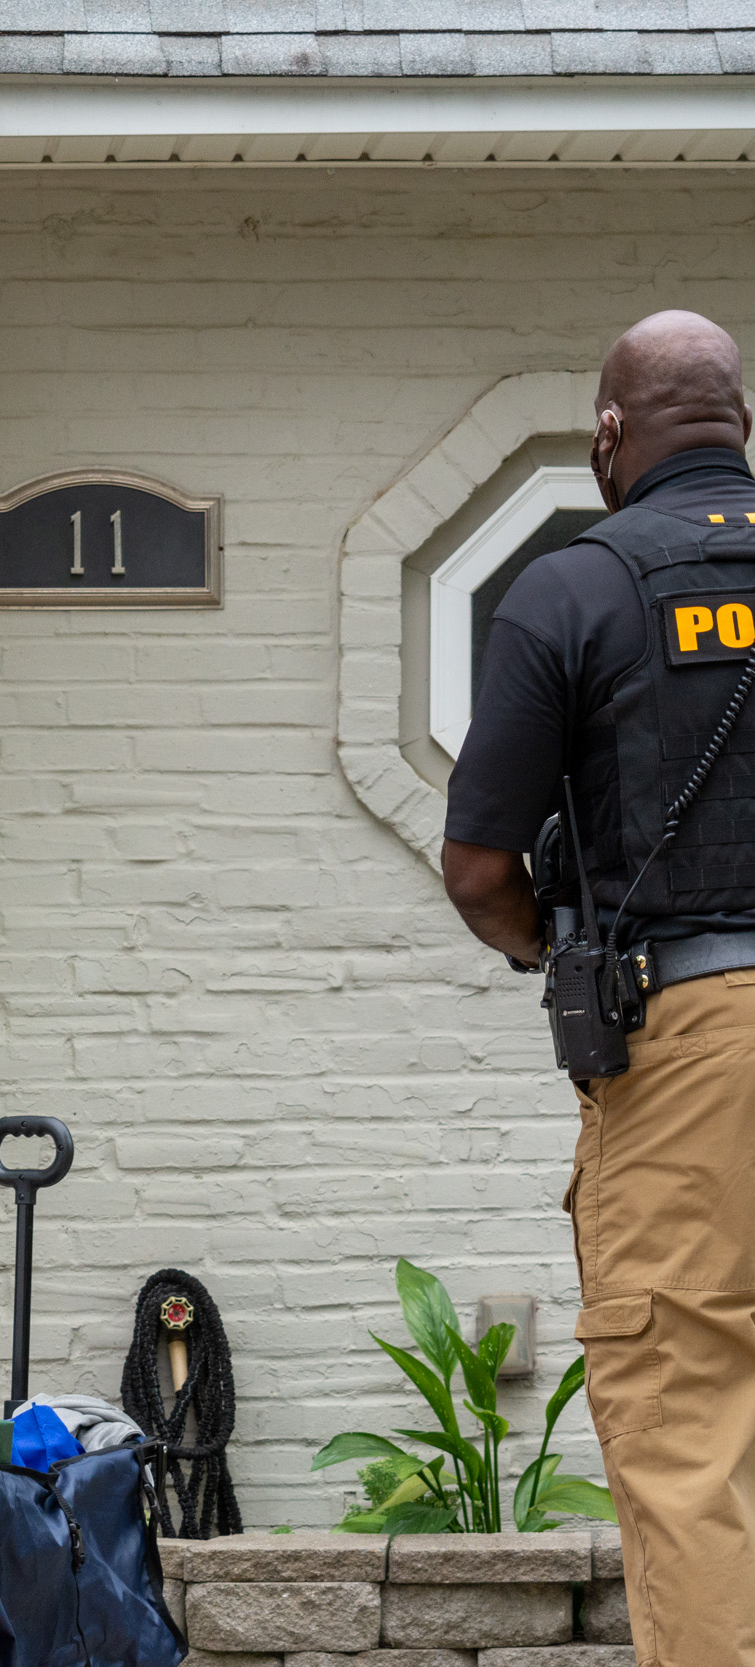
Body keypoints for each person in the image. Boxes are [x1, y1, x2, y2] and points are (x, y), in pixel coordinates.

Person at [441, 310, 755, 1666]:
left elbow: (478, 868)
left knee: (686, 1409)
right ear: (742, 423)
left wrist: (550, 955)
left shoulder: (575, 589)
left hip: (693, 1043)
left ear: (610, 436)